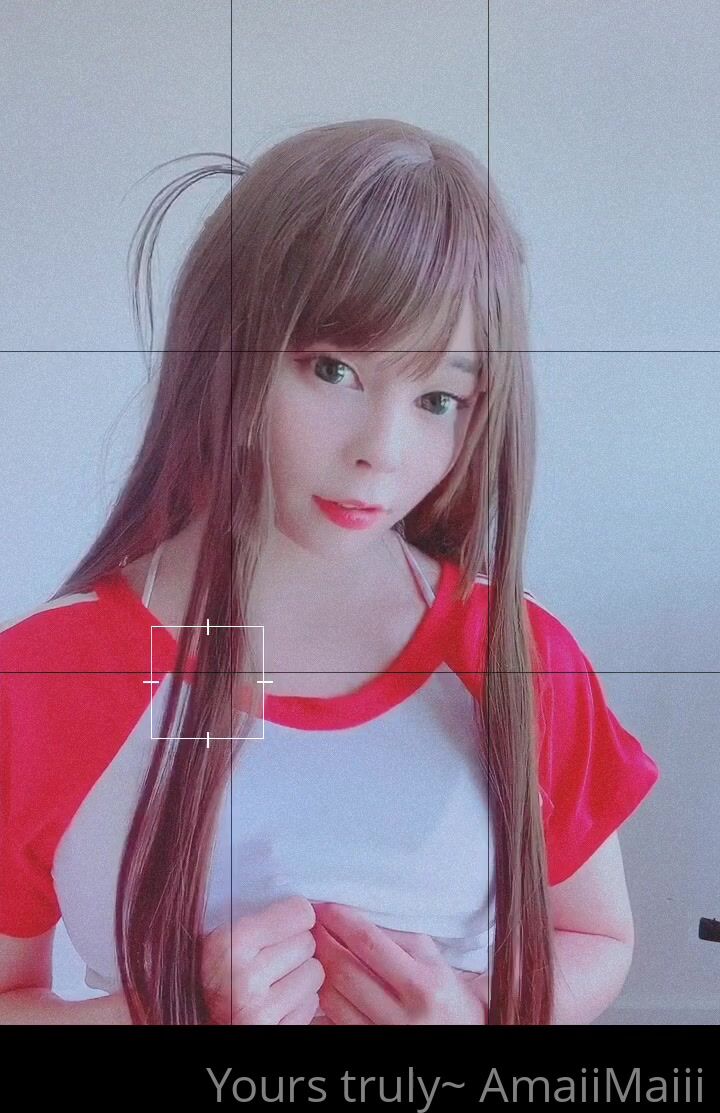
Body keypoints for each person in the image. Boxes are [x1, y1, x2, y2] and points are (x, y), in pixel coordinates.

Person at [0, 118, 659, 1026]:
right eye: (332, 368)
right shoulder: (47, 676)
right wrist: (157, 1012)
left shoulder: (515, 653)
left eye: (438, 397)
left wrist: (475, 1015)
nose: (381, 450)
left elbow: (594, 935)